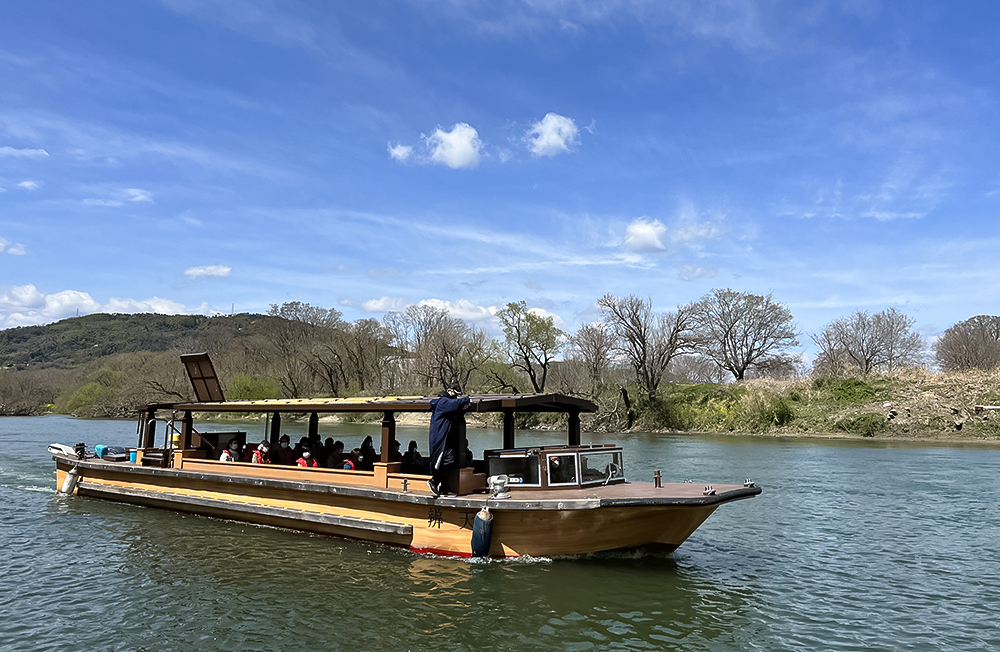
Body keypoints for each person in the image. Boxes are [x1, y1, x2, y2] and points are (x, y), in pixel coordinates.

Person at [427, 387, 470, 497]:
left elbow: (456, 409)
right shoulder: (443, 402)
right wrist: (467, 399)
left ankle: (444, 488)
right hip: (439, 440)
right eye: (455, 394)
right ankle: (434, 481)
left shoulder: (447, 404)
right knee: (439, 462)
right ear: (450, 392)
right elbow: (455, 404)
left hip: (447, 440)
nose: (455, 396)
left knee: (450, 461)